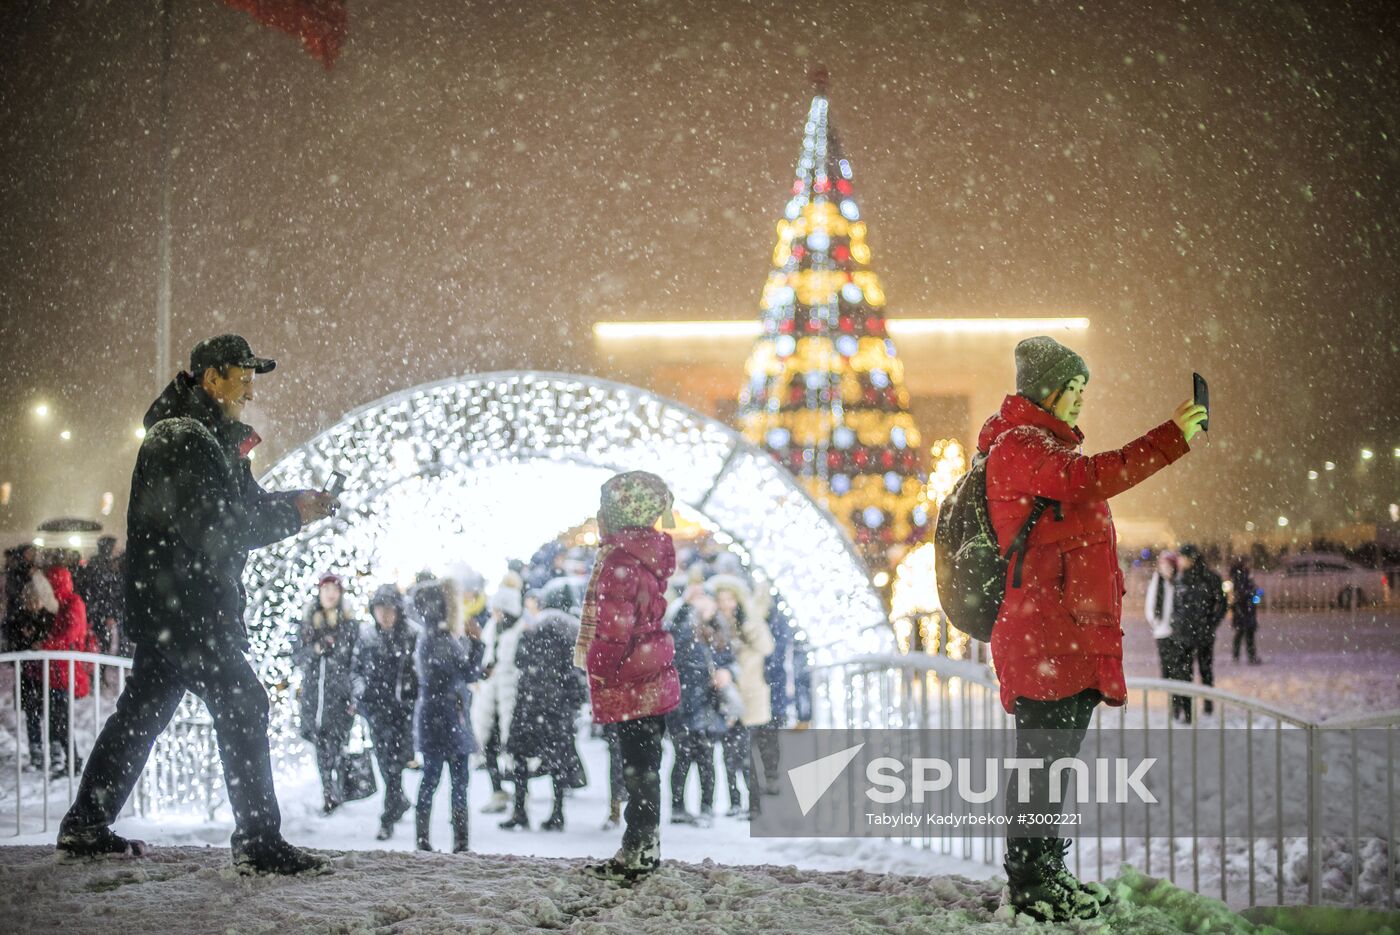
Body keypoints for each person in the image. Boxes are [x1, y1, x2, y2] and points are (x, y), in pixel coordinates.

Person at [57, 334, 335, 875]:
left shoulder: (210, 438)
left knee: (143, 712)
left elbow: (245, 506)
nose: (250, 392)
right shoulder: (180, 438)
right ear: (212, 378)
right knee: (243, 703)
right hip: (187, 608)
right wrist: (291, 517)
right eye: (243, 379)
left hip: (177, 608)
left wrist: (297, 502)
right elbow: (215, 529)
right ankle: (258, 841)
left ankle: (86, 824)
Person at [982, 335, 1205, 922]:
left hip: (1064, 636)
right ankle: (1029, 885)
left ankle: (1047, 873)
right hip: (1043, 636)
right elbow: (1090, 478)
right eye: (1073, 388)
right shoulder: (1021, 445)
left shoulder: (1043, 448)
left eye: (1084, 388)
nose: (1080, 398)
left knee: (1052, 767)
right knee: (1040, 767)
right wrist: (1170, 436)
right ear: (1045, 388)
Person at [575, 471, 681, 882]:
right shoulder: (647, 555)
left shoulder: (619, 561)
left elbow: (613, 630)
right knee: (645, 766)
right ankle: (642, 846)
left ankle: (638, 851)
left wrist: (599, 670)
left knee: (637, 770)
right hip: (651, 672)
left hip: (631, 678)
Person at [411, 576, 484, 853]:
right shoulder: (439, 639)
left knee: (435, 779)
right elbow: (468, 672)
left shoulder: (431, 637)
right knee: (453, 782)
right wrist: (476, 644)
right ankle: (458, 842)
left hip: (442, 717)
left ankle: (429, 840)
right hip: (447, 719)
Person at [504, 604, 588, 831]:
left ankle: (520, 809)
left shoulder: (530, 632)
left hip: (529, 705)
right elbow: (575, 677)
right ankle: (557, 812)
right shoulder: (568, 637)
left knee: (520, 758)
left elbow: (518, 661)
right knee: (557, 760)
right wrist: (572, 704)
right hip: (555, 708)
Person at [353, 584, 419, 840]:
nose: (385, 615)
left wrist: (413, 698)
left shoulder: (412, 635)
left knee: (395, 763)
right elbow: (356, 669)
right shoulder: (367, 636)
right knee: (384, 761)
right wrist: (360, 693)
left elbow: (419, 671)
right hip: (375, 708)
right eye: (380, 609)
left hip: (403, 709)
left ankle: (388, 816)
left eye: (389, 609)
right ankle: (397, 800)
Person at [707, 574, 774, 819]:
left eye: (730, 599)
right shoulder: (712, 626)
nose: (726, 605)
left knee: (748, 755)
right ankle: (735, 802)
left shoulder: (750, 623)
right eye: (721, 599)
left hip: (751, 695)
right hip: (726, 697)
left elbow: (767, 647)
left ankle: (754, 804)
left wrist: (749, 624)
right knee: (729, 754)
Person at [294, 573, 360, 815]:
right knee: (322, 749)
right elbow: (298, 657)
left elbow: (356, 661)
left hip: (339, 698)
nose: (331, 594)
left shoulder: (350, 626)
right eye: (326, 589)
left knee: (338, 747)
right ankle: (329, 793)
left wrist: (353, 694)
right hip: (315, 699)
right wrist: (315, 649)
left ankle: (339, 791)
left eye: (335, 589)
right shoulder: (308, 623)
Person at [666, 587, 724, 826]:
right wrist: (686, 606)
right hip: (683, 701)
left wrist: (726, 673)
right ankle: (679, 807)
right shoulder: (684, 628)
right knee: (683, 757)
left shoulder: (716, 630)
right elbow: (673, 631)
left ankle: (705, 807)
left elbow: (728, 657)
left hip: (704, 702)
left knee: (705, 759)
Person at [472, 571, 526, 823]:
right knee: (490, 745)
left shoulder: (519, 631)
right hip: (490, 698)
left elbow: (516, 665)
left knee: (514, 750)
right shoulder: (493, 628)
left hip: (511, 698)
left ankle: (520, 800)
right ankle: (498, 791)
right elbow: (485, 657)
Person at [38, 565, 94, 777]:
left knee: (61, 720)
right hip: (59, 671)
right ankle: (71, 761)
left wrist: (47, 645)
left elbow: (70, 635)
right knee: (57, 719)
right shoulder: (62, 605)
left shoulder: (73, 604)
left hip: (66, 671)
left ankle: (73, 761)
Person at [1171, 544, 1228, 720]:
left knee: (1205, 670)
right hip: (1184, 633)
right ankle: (1187, 711)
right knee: (1185, 673)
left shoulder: (1210, 578)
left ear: (1191, 559)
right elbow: (1177, 604)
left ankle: (1208, 706)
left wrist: (1211, 623)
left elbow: (1222, 604)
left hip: (1203, 633)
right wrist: (1176, 623)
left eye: (1182, 557)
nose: (1179, 561)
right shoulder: (1180, 577)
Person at [1144, 550, 1186, 715]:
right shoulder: (1157, 582)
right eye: (1163, 566)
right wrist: (1157, 624)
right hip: (1162, 633)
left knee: (1178, 671)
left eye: (1169, 566)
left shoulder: (1178, 583)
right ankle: (1174, 703)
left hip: (1177, 633)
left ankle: (1179, 704)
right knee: (1167, 672)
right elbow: (1150, 607)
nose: (1166, 569)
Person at [76, 536, 126, 656]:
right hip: (102, 616)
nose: (117, 551)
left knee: (98, 649)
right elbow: (105, 594)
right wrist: (109, 614)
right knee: (106, 650)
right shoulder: (103, 568)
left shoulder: (95, 565)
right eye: (115, 548)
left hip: (96, 615)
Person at [1229, 556, 1261, 664]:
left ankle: (1238, 656)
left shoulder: (1241, 576)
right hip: (1245, 609)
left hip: (1243, 608)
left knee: (1242, 633)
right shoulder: (1243, 576)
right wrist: (1255, 596)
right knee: (1246, 634)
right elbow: (1247, 593)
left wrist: (1256, 596)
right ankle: (1248, 656)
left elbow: (1250, 593)